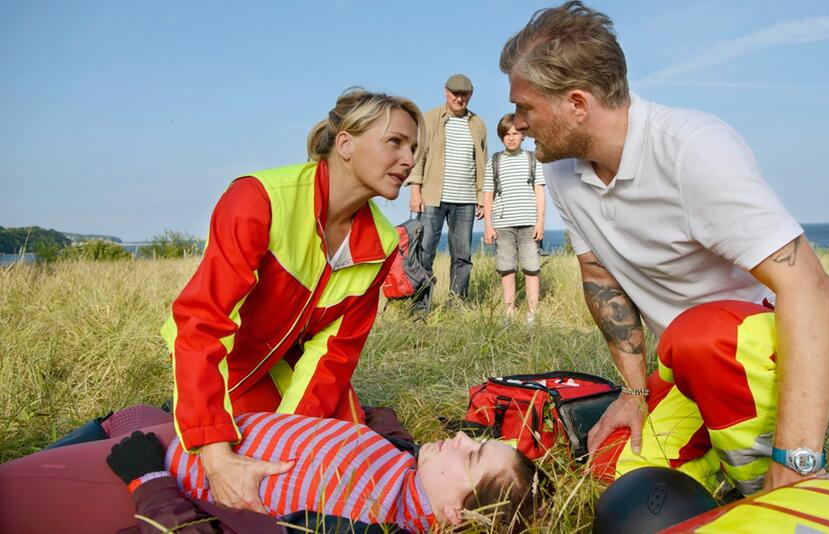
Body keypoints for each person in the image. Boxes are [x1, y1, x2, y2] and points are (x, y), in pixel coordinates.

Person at [500, 1, 829, 496]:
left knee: (699, 337)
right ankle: (721, 471)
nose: (516, 123)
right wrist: (633, 392)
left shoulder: (694, 149)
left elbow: (812, 288)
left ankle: (777, 493)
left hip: (785, 343)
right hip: (692, 360)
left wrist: (797, 454)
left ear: (577, 104)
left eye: (526, 107)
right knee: (616, 471)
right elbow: (600, 278)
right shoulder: (561, 170)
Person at [161, 88, 426, 512]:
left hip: (284, 367)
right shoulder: (259, 199)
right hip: (222, 362)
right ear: (345, 144)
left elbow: (334, 353)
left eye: (413, 147)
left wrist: (289, 438)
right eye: (395, 142)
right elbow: (201, 321)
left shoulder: (380, 241)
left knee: (331, 466)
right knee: (217, 466)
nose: (410, 159)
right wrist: (214, 454)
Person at [0, 405, 548, 533]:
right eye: (472, 438)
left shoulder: (358, 527)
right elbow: (382, 445)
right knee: (127, 413)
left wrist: (149, 483)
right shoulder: (407, 472)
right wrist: (381, 420)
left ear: (455, 513)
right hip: (187, 433)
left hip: (142, 481)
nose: (457, 438)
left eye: (471, 454)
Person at [406, 74, 489, 314]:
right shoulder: (430, 118)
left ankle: (457, 305)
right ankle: (420, 306)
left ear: (470, 95)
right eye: (455, 93)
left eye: (464, 94)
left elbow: (481, 163)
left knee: (462, 255)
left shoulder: (479, 124)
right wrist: (415, 191)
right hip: (433, 197)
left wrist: (482, 197)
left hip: (466, 202)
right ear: (445, 92)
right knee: (425, 252)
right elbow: (418, 157)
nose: (459, 98)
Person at [482, 113, 546, 324]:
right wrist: (488, 226)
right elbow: (488, 195)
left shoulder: (533, 159)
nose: (511, 137)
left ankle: (532, 313)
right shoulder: (495, 161)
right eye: (507, 134)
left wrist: (540, 222)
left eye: (516, 133)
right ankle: (509, 312)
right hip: (503, 225)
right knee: (506, 269)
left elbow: (539, 192)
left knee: (531, 269)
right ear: (501, 137)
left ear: (523, 135)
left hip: (529, 224)